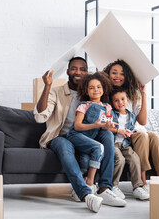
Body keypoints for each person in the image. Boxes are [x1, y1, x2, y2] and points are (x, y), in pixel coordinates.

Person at [34, 57, 126, 213]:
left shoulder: (91, 94)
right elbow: (39, 116)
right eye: (74, 68)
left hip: (88, 135)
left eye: (82, 69)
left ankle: (104, 188)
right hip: (62, 136)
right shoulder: (57, 92)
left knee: (108, 136)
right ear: (68, 71)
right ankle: (85, 192)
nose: (78, 72)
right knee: (64, 145)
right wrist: (48, 86)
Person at [103, 59, 159, 193]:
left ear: (127, 76)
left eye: (122, 73)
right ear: (108, 74)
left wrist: (143, 94)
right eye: (114, 73)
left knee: (155, 136)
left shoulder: (131, 93)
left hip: (136, 130)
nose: (118, 76)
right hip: (124, 135)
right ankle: (141, 183)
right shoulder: (105, 94)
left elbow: (142, 121)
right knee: (143, 136)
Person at [66, 72, 115, 191]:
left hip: (90, 138)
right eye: (91, 88)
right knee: (99, 148)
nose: (95, 90)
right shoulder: (84, 105)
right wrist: (95, 125)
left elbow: (103, 126)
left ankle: (83, 182)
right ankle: (90, 182)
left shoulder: (107, 107)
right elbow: (77, 126)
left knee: (85, 160)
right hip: (76, 135)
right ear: (86, 91)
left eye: (98, 87)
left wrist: (108, 125)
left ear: (104, 89)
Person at [108, 86, 149, 200]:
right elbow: (106, 127)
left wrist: (129, 133)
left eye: (122, 99)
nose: (120, 102)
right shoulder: (111, 113)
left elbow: (133, 129)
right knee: (120, 160)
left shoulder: (131, 116)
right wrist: (118, 131)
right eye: (116, 100)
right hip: (114, 144)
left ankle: (137, 187)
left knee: (135, 158)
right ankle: (114, 185)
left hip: (125, 144)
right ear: (112, 103)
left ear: (127, 100)